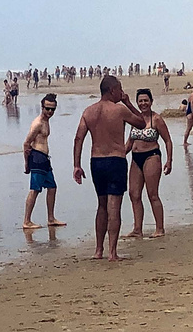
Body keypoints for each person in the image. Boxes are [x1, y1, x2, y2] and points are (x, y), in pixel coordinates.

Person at [71, 74, 145, 261]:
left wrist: (76, 165)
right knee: (114, 206)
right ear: (112, 90)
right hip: (115, 160)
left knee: (101, 205)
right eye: (120, 89)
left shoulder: (89, 111)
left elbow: (79, 138)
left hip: (96, 161)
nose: (122, 92)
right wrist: (128, 102)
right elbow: (141, 123)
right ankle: (112, 252)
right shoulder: (119, 110)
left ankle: (98, 250)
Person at [124, 88, 173, 239]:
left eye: (146, 100)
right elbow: (130, 142)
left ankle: (160, 228)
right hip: (135, 157)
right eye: (140, 101)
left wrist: (169, 160)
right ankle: (137, 229)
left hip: (151, 156)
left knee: (152, 194)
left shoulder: (156, 119)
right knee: (134, 194)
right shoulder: (135, 119)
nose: (143, 103)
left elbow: (168, 140)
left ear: (151, 102)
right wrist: (118, 155)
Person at [22, 94, 65, 229]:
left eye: (53, 109)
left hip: (45, 159)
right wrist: (27, 164)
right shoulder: (38, 123)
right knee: (35, 190)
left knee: (52, 187)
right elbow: (26, 144)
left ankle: (51, 218)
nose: (50, 112)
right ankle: (27, 221)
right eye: (47, 109)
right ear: (42, 107)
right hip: (37, 158)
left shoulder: (47, 121)